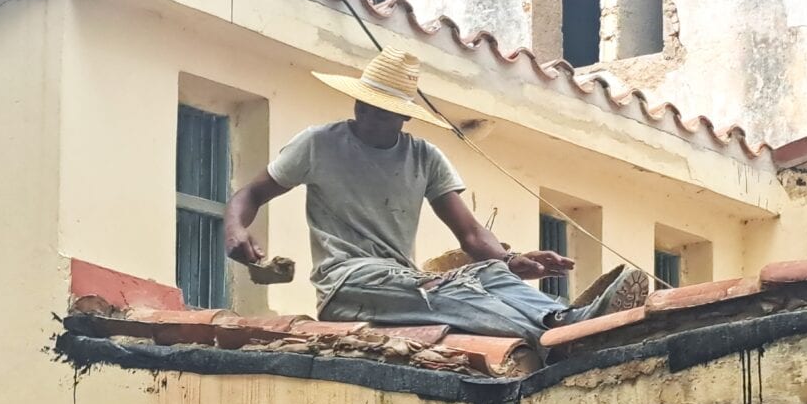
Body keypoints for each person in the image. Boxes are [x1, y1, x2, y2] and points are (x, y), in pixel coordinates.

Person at [224, 47, 646, 347]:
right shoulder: (318, 144)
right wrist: (236, 228)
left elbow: (471, 233)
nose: (369, 117)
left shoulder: (424, 156)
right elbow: (252, 192)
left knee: (491, 273)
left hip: (400, 278)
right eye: (364, 106)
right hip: (348, 284)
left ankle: (563, 319)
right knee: (444, 289)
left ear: (405, 115)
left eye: (382, 111)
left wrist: (511, 262)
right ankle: (558, 337)